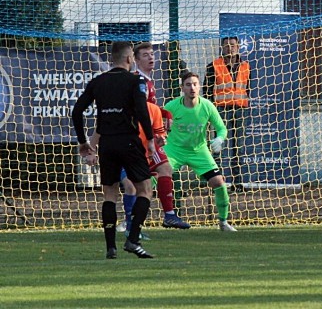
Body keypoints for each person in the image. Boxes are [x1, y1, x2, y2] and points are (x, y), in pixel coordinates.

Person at [71, 41, 159, 259]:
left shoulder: (98, 82)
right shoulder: (135, 80)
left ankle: (111, 247)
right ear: (130, 59)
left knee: (110, 195)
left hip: (107, 145)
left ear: (112, 58)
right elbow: (141, 111)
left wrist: (83, 141)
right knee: (145, 189)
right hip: (129, 141)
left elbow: (76, 112)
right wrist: (149, 139)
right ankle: (133, 239)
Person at [164, 72, 237, 232]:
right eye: (188, 84)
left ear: (200, 87)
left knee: (218, 182)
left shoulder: (207, 106)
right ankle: (132, 221)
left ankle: (223, 222)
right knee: (152, 180)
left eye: (195, 84)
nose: (192, 88)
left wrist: (220, 139)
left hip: (199, 151)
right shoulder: (171, 107)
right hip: (174, 150)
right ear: (182, 88)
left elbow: (222, 128)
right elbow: (158, 123)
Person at [132, 42, 189, 230]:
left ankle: (134, 221)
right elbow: (141, 111)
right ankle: (167, 216)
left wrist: (166, 115)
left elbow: (150, 109)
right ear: (135, 59)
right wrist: (156, 132)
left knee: (139, 181)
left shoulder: (147, 81)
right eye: (145, 55)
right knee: (162, 169)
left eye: (151, 54)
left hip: (141, 137)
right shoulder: (138, 81)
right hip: (142, 138)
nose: (151, 58)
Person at [204, 36, 250, 189]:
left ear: (238, 47)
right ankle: (219, 182)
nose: (229, 48)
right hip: (220, 110)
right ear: (221, 48)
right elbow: (207, 91)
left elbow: (247, 88)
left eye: (233, 45)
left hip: (240, 110)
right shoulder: (213, 66)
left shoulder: (245, 66)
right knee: (219, 146)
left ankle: (238, 182)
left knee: (239, 147)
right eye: (226, 46)